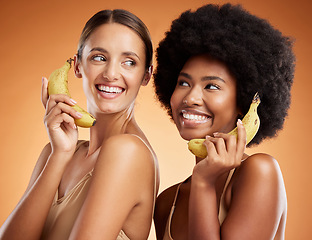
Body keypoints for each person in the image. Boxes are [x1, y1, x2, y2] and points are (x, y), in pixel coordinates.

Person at [0, 9, 159, 240]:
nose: (111, 73)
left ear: (146, 76)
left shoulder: (128, 152)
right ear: (77, 66)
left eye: (129, 62)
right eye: (99, 57)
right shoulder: (57, 152)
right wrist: (60, 154)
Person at [153, 3, 295, 240]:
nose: (190, 98)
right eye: (183, 83)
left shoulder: (259, 172)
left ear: (243, 103)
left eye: (212, 86)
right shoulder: (167, 202)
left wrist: (204, 184)